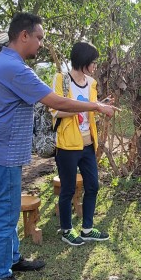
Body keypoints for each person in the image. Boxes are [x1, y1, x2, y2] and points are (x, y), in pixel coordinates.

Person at [0, 13, 118, 280]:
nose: (41, 44)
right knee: (3, 215)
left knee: (8, 211)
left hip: (3, 151)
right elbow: (53, 101)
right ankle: (2, 274)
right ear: (24, 36)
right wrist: (96, 108)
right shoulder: (15, 69)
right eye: (39, 38)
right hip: (1, 154)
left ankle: (13, 260)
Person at [52, 42, 111, 245]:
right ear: (83, 61)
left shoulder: (91, 83)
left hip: (88, 143)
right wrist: (89, 107)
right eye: (93, 62)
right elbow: (55, 111)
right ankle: (67, 229)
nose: (95, 66)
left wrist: (99, 106)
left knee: (93, 185)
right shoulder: (61, 80)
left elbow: (91, 109)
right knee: (68, 189)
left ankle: (87, 228)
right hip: (67, 144)